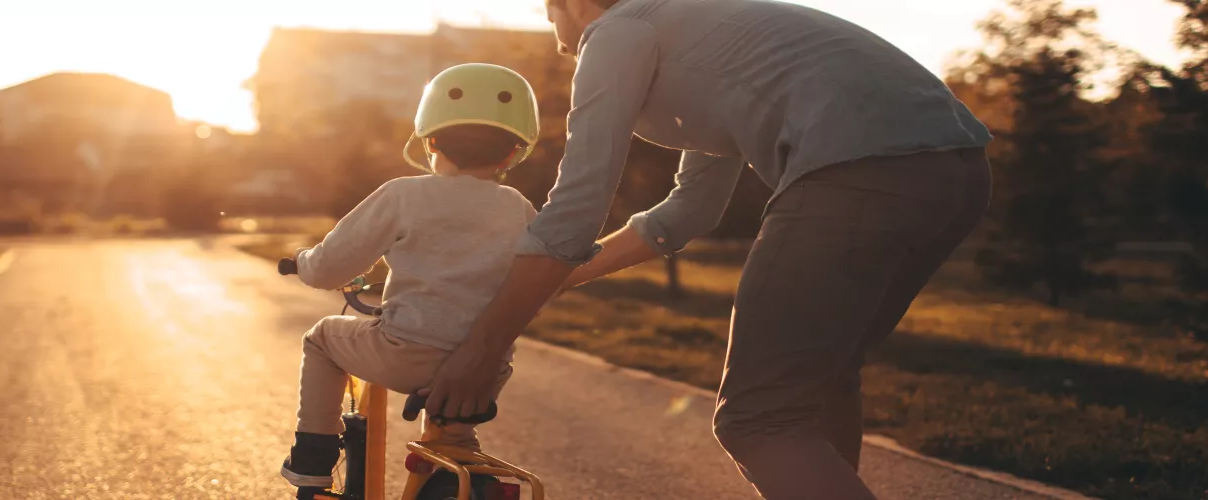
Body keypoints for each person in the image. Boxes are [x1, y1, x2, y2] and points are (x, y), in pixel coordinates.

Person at [420, 0, 995, 498]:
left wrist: (481, 349)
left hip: (857, 171)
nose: (562, 45)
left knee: (757, 419)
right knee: (822, 386)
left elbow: (576, 208)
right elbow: (689, 211)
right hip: (958, 171)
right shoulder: (703, 30)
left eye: (551, 19)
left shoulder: (618, 30)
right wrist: (556, 280)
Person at [276, 63, 542, 496]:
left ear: (430, 139)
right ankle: (463, 466)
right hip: (486, 371)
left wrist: (304, 263)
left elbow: (328, 268)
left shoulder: (405, 194)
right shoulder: (518, 206)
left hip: (406, 354)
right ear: (513, 151)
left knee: (322, 339)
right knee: (454, 438)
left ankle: (313, 458)